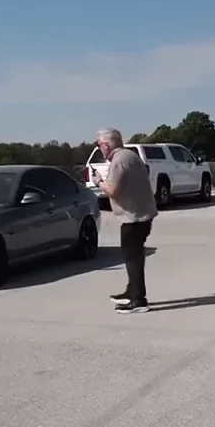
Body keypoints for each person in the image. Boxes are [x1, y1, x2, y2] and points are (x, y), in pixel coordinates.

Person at [90, 128, 158, 314]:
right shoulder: (129, 156)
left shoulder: (119, 161)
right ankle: (132, 291)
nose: (98, 148)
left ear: (106, 145)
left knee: (132, 258)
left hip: (134, 217)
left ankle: (139, 300)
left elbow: (113, 190)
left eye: (99, 144)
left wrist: (98, 181)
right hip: (141, 214)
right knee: (134, 256)